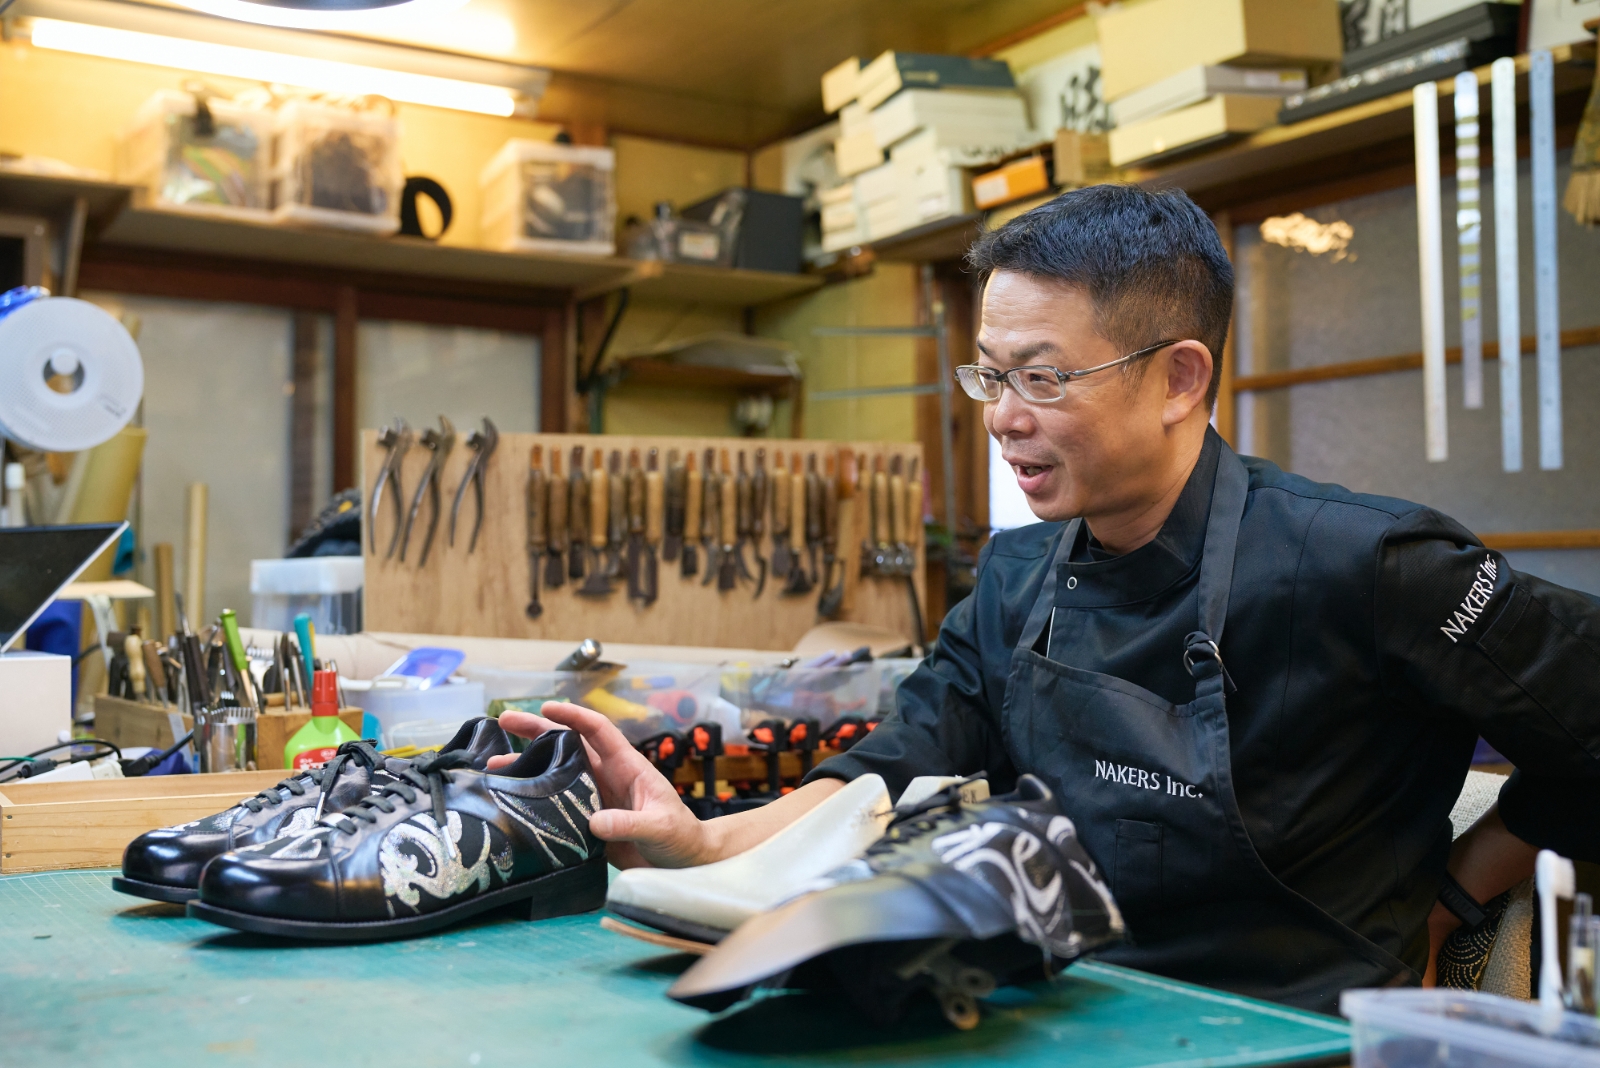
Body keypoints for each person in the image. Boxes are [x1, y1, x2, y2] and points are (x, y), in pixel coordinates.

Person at [494, 185, 1600, 1012]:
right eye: (989, 375)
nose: (1001, 416)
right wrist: (703, 840)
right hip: (1071, 1010)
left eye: (1042, 377)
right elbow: (893, 761)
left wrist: (1458, 897)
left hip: (1296, 1029)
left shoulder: (1367, 563)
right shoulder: (1019, 575)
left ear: (1178, 379)